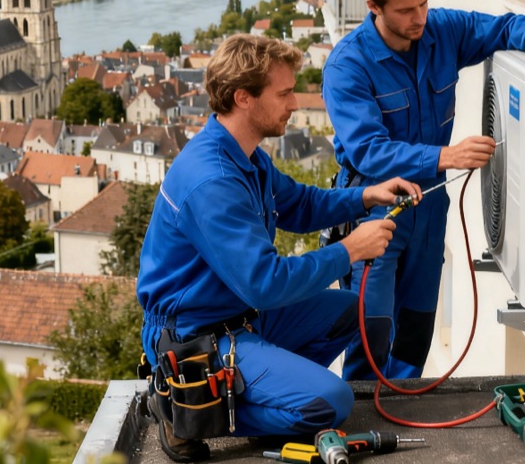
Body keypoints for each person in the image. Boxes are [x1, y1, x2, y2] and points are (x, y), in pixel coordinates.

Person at [136, 34, 422, 462]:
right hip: (194, 338)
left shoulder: (246, 157)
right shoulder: (212, 180)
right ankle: (182, 408)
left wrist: (366, 196)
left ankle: (263, 392)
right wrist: (350, 249)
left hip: (240, 317)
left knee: (351, 313)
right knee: (331, 404)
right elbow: (266, 284)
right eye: (284, 93)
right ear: (243, 98)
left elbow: (300, 204)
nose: (294, 103)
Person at [322, 0, 525, 381]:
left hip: (430, 209)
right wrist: (448, 156)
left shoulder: (442, 30)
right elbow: (368, 149)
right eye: (405, 10)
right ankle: (364, 426)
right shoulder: (348, 65)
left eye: (424, 2)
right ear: (373, 7)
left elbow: (504, 27)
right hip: (374, 209)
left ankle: (404, 415)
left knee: (416, 332)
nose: (419, 17)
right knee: (371, 334)